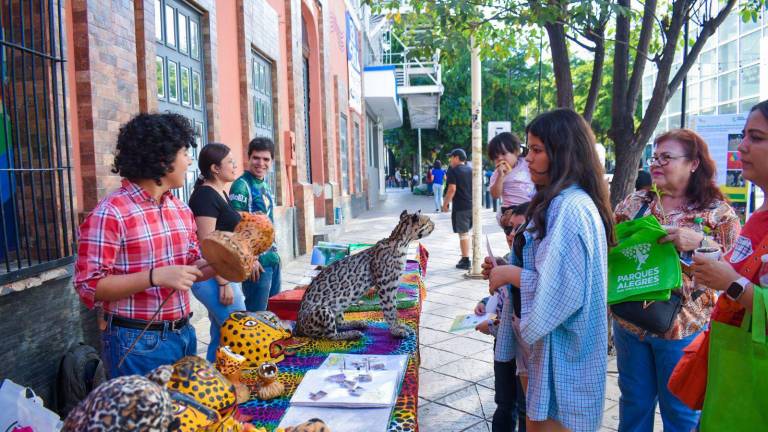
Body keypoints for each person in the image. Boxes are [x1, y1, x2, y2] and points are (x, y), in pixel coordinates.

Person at [483, 108, 615, 431]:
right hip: (556, 357)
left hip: (565, 360)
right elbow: (553, 270)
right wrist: (507, 267)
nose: (528, 159)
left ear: (563, 153)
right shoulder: (563, 201)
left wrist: (509, 275)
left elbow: (559, 291)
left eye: (537, 150)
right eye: (528, 150)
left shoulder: (568, 207)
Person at [613, 128, 740, 431]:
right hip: (631, 323)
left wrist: (698, 242)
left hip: (683, 329)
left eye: (666, 157)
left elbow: (735, 268)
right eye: (654, 157)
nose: (656, 163)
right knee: (633, 407)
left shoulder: (718, 214)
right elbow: (612, 247)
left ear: (693, 163)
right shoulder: (635, 203)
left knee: (681, 414)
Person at [74, 113, 216, 378]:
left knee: (185, 418)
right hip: (137, 341)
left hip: (183, 334)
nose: (188, 161)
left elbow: (191, 267)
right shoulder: (111, 212)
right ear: (162, 160)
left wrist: (224, 263)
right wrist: (155, 277)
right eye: (184, 152)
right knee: (148, 420)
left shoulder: (180, 209)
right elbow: (88, 286)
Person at [692, 100, 768, 427]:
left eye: (757, 137)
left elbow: (740, 286)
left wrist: (732, 283)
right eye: (743, 135)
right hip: (733, 382)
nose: (743, 146)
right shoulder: (757, 217)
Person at [188, 143, 247, 362]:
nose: (235, 165)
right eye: (230, 162)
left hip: (223, 272)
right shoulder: (205, 196)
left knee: (221, 335)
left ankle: (214, 382)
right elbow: (207, 243)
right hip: (213, 276)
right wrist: (223, 282)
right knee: (240, 331)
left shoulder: (221, 191)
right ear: (215, 168)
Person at [475, 202, 529, 432]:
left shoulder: (538, 262)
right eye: (508, 229)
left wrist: (494, 326)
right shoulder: (509, 257)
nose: (512, 234)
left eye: (520, 228)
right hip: (505, 348)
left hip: (527, 351)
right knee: (505, 402)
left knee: (526, 409)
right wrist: (485, 302)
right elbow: (503, 298)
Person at [229, 137, 281, 312]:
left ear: (271, 161)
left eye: (266, 159)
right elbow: (233, 226)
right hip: (257, 265)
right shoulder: (241, 186)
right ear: (249, 158)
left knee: (272, 316)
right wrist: (249, 259)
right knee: (256, 318)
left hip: (272, 259)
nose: (261, 163)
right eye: (256, 158)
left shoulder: (264, 184)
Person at [488, 132, 535, 225]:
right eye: (496, 157)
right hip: (510, 209)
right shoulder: (497, 174)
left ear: (516, 151)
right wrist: (501, 177)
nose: (500, 158)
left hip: (530, 207)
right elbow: (495, 195)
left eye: (503, 153)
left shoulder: (526, 163)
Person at [442, 148, 473, 270]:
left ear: (456, 157)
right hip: (472, 206)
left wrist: (445, 204)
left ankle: (466, 260)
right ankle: (464, 257)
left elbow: (452, 189)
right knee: (466, 233)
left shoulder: (453, 171)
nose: (450, 160)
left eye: (451, 157)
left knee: (463, 234)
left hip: (461, 207)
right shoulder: (471, 170)